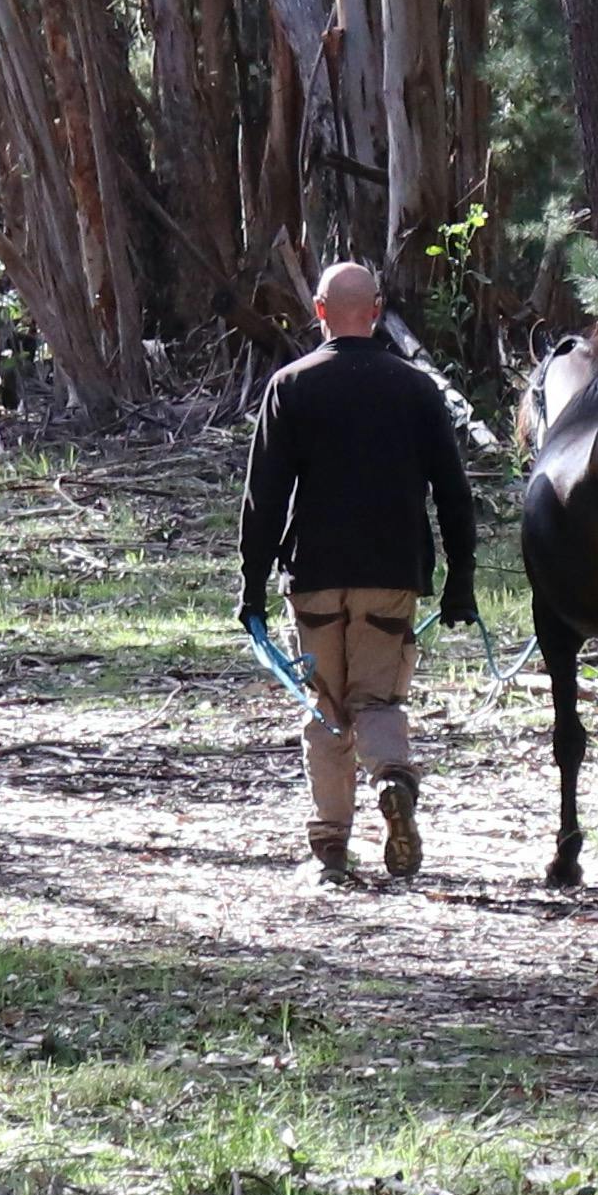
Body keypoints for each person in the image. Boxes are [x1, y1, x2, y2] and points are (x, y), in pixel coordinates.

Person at [240, 260, 481, 884]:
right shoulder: (417, 389)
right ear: (376, 309)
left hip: (314, 575)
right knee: (377, 700)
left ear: (318, 311)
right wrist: (460, 582)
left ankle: (330, 850)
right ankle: (393, 779)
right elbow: (454, 495)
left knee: (325, 710)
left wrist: (252, 587)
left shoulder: (290, 386)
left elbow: (263, 498)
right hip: (392, 573)